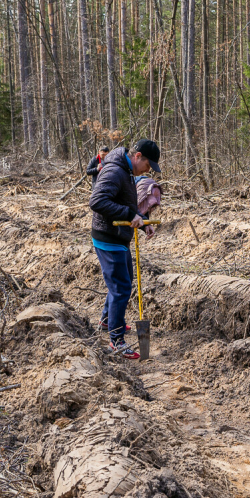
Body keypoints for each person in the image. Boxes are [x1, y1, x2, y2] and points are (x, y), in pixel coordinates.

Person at [90, 139, 160, 359]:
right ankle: (116, 341)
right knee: (121, 288)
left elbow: (124, 203)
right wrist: (131, 215)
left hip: (118, 237)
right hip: (109, 238)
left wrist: (142, 223)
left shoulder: (126, 170)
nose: (149, 170)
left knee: (123, 281)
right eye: (149, 165)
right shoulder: (115, 171)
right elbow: (98, 201)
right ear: (138, 156)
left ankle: (107, 320)